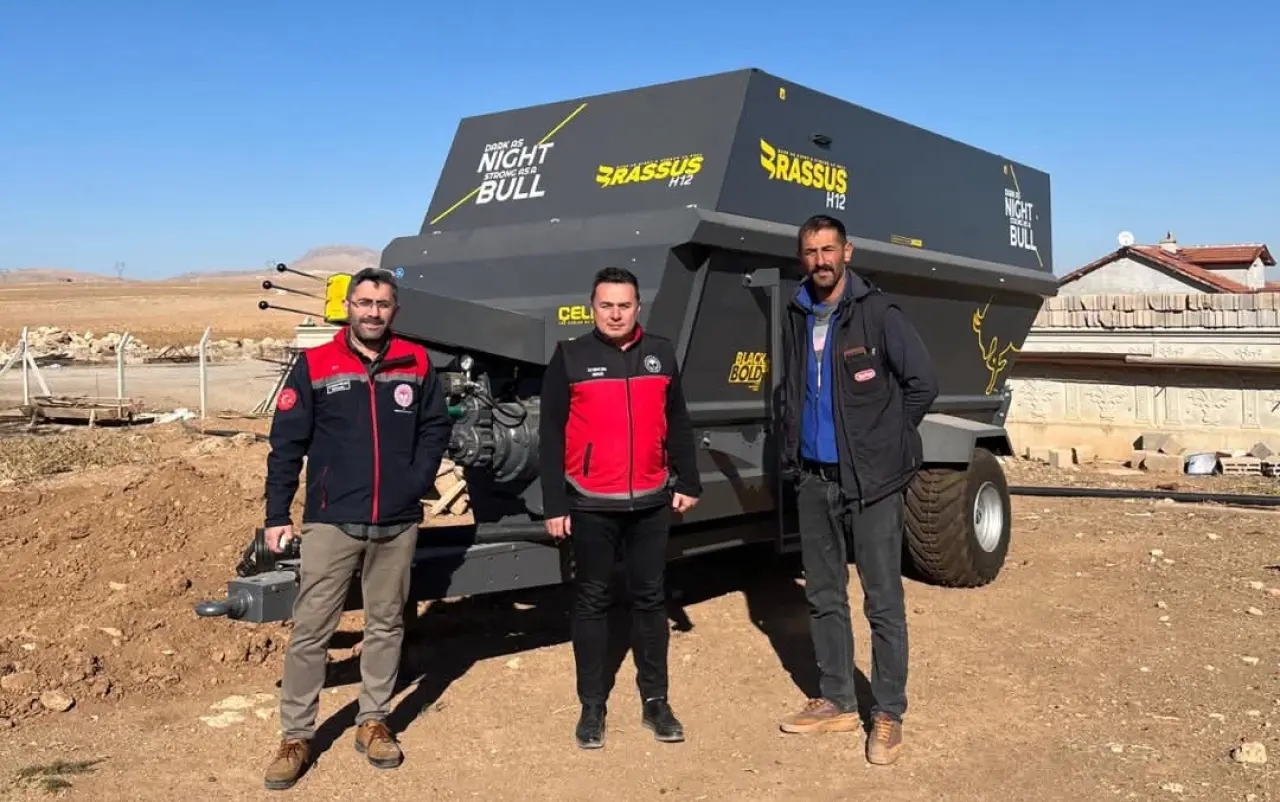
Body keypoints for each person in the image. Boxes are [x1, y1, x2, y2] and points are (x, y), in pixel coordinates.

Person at [258, 267, 453, 791]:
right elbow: (286, 446)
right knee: (311, 631)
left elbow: (436, 426)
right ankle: (296, 736)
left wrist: (415, 480)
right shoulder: (316, 364)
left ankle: (374, 721)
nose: (373, 312)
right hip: (331, 520)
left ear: (395, 310)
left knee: (386, 624)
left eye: (382, 304)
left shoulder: (416, 362)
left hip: (396, 521)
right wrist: (277, 514)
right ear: (348, 307)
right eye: (364, 303)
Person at [776, 214, 939, 766]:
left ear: (847, 252)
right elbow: (792, 388)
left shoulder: (878, 313)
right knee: (823, 596)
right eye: (811, 252)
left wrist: (885, 445)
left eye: (829, 250)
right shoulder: (797, 313)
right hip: (813, 478)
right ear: (802, 258)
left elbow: (922, 384)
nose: (820, 260)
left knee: (882, 600)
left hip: (870, 482)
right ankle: (839, 701)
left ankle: (888, 711)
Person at [538, 266, 702, 750]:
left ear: (638, 307)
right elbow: (550, 435)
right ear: (592, 307)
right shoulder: (570, 356)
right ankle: (592, 706)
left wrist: (687, 478)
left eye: (624, 305)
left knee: (650, 599)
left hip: (651, 500)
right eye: (606, 305)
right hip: (591, 502)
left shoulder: (661, 353)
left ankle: (656, 702)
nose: (615, 314)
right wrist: (555, 502)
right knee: (592, 601)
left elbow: (678, 420)